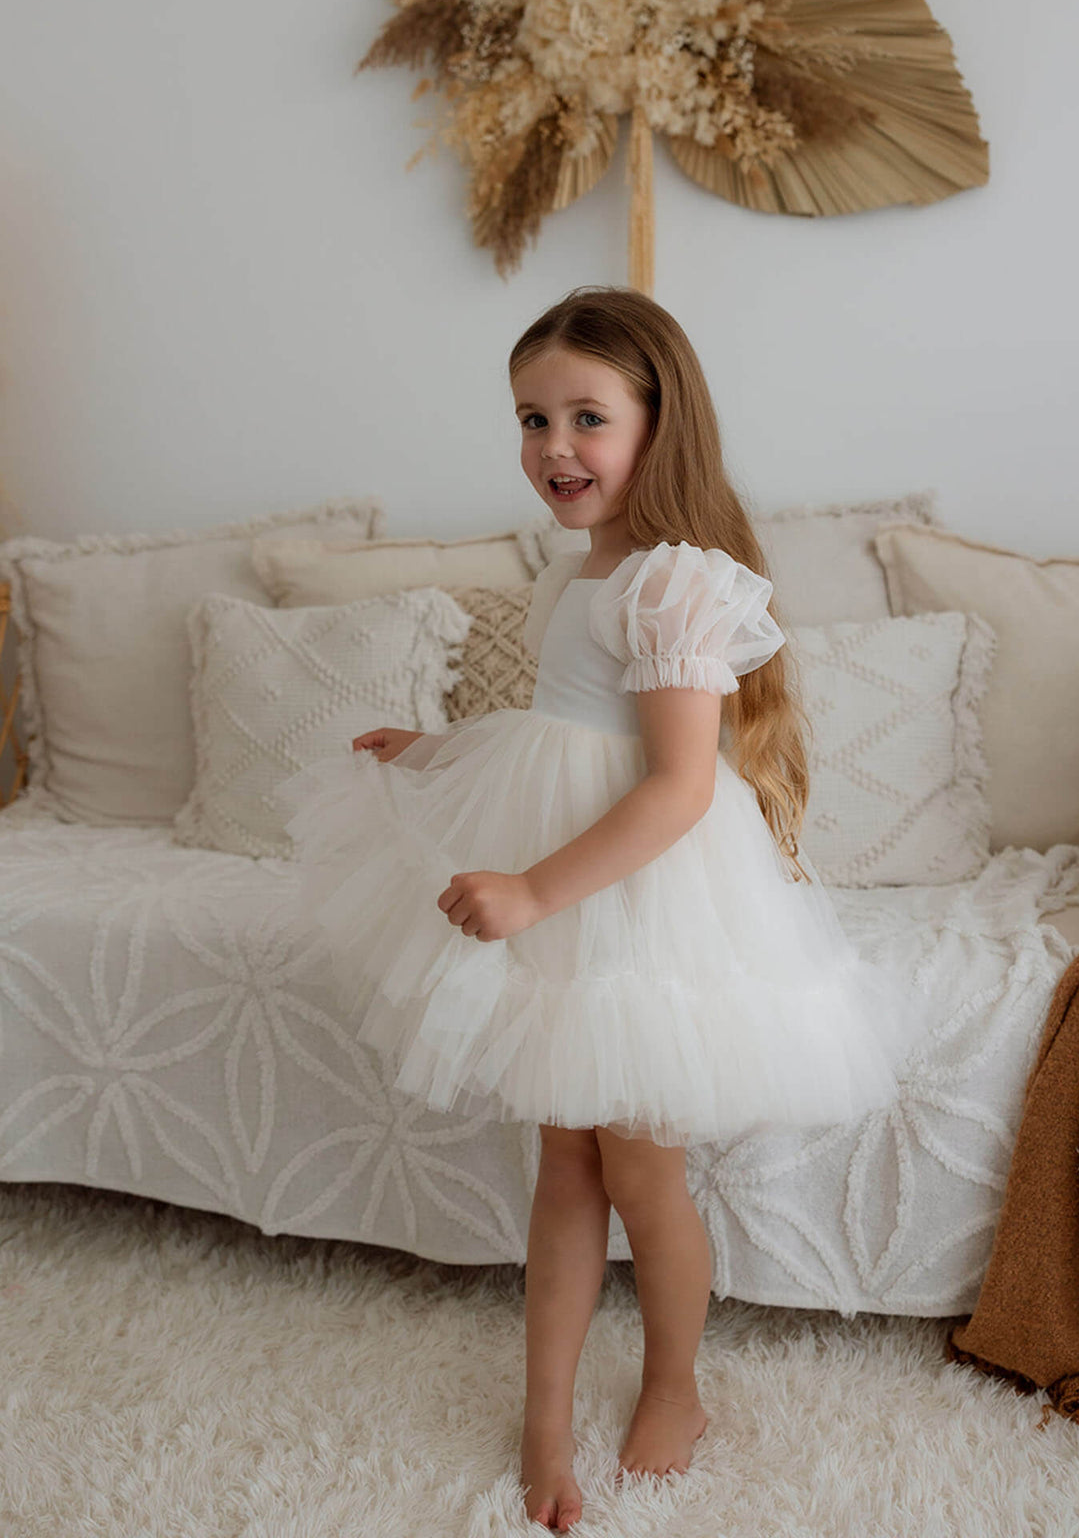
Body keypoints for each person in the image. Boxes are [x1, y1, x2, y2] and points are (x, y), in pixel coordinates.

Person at [273, 285, 939, 1532]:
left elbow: (682, 786)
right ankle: (545, 1412)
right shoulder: (578, 569)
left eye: (588, 416)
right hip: (567, 870)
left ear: (656, 422)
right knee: (563, 1163)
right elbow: (560, 731)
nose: (554, 448)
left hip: (635, 892)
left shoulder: (676, 582)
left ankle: (676, 1385)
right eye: (532, 418)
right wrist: (434, 749)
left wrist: (532, 888)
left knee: (640, 1172)